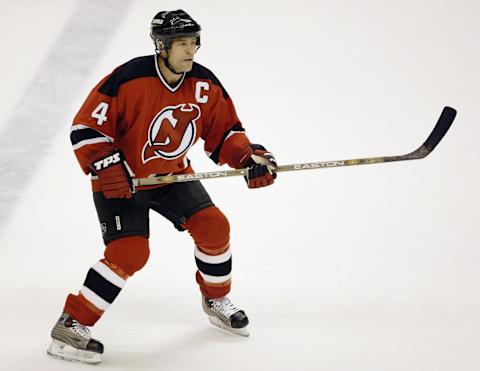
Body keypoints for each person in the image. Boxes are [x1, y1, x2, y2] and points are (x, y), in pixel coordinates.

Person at [46, 9, 277, 364]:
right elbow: (86, 130)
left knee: (214, 227)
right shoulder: (129, 79)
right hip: (123, 180)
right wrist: (106, 165)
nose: (189, 50)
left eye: (193, 42)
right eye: (180, 43)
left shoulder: (204, 84)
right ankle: (71, 323)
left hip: (172, 175)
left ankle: (215, 299)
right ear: (161, 46)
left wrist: (249, 158)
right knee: (130, 253)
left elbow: (226, 131)